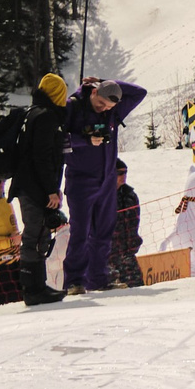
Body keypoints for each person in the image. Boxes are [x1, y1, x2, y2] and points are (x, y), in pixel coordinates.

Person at [63, 76, 146, 290]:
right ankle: (74, 281)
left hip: (107, 179)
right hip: (81, 179)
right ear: (93, 92)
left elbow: (139, 92)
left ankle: (98, 280)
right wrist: (85, 140)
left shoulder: (112, 112)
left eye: (108, 107)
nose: (102, 109)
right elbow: (57, 140)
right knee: (80, 231)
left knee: (104, 232)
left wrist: (105, 80)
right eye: (100, 104)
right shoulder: (73, 106)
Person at [5, 74, 68, 305]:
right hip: (35, 187)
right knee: (35, 234)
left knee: (38, 233)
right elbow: (41, 157)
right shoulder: (46, 117)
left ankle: (37, 287)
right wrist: (51, 189)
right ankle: (33, 290)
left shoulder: (32, 112)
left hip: (27, 185)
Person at [111, 161, 146, 287]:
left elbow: (135, 222)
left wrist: (134, 241)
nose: (123, 176)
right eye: (120, 173)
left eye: (125, 172)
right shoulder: (103, 197)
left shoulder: (130, 195)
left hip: (127, 251)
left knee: (137, 287)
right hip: (108, 254)